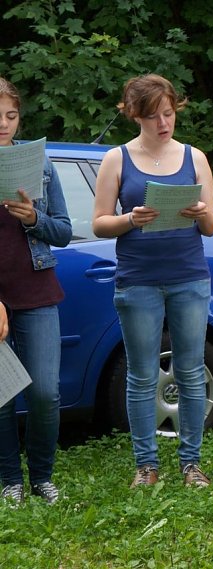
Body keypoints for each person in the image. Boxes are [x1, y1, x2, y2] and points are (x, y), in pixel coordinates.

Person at [93, 74, 213, 488]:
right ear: (134, 116)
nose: (163, 123)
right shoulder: (116, 159)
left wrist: (200, 213)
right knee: (143, 374)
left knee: (190, 369)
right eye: (152, 117)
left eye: (168, 113)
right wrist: (131, 219)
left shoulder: (195, 157)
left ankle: (192, 463)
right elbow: (99, 224)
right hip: (138, 280)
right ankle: (146, 465)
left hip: (188, 277)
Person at [0, 77, 72, 506]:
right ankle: (10, 480)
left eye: (10, 116)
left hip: (38, 291)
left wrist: (33, 219)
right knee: (2, 395)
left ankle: (42, 476)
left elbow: (63, 230)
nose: (3, 124)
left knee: (45, 392)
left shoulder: (39, 162)